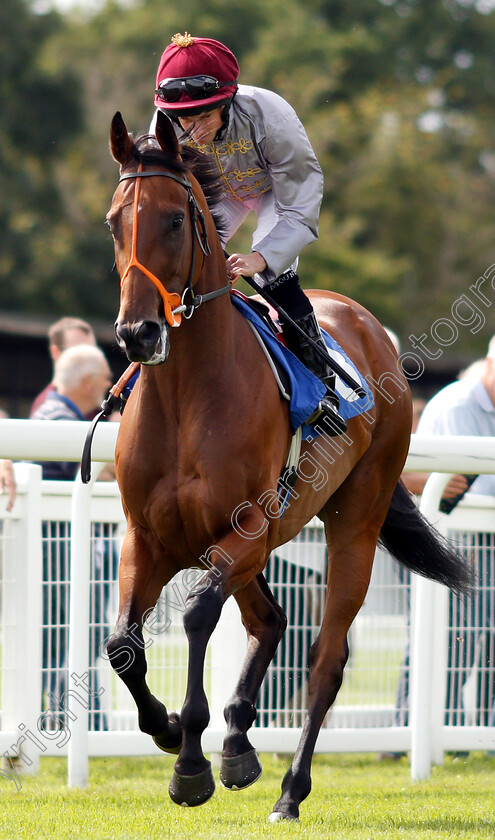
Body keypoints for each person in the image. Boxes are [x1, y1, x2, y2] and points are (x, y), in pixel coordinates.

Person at [151, 32, 346, 433]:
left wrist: (261, 258)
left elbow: (301, 204)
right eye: (183, 120)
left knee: (270, 275)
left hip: (276, 189)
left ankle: (322, 388)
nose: (193, 130)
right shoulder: (163, 126)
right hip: (219, 193)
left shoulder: (271, 116)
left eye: (203, 117)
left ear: (227, 100)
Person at [384, 337, 495, 754]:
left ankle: (463, 738)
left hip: (478, 537)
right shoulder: (457, 404)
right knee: (445, 639)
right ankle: (413, 736)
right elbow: (460, 486)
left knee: (469, 640)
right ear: (489, 364)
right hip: (450, 538)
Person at [32, 344, 113, 730]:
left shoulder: (57, 412)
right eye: (104, 379)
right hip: (58, 552)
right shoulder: (55, 417)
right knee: (71, 634)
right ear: (86, 381)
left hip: (64, 550)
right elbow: (104, 469)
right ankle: (77, 720)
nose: (109, 385)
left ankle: (75, 718)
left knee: (78, 633)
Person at [30, 316, 96, 417]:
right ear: (56, 352)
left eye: (93, 352)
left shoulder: (94, 403)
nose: (88, 359)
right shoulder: (47, 408)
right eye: (78, 352)